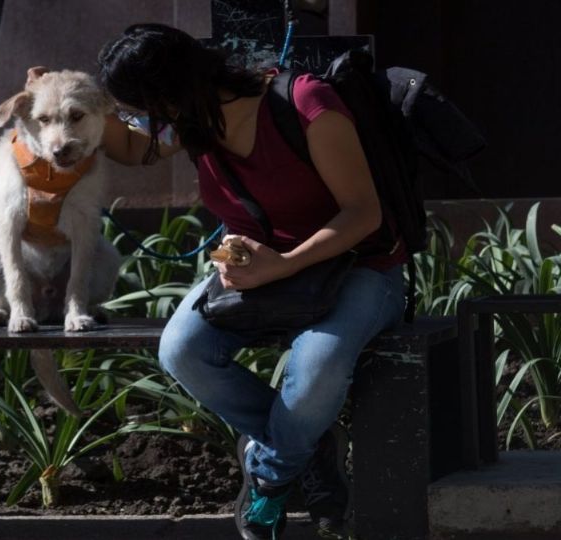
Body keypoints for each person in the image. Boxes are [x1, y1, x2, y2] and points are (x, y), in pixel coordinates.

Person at [96, 24, 407, 539]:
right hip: (263, 268)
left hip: (357, 264)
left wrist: (283, 262)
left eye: (140, 110)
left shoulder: (305, 103)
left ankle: (268, 477)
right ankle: (312, 447)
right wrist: (61, 100)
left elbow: (363, 214)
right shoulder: (193, 119)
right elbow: (130, 150)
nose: (141, 123)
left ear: (167, 96)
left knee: (318, 370)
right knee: (181, 351)